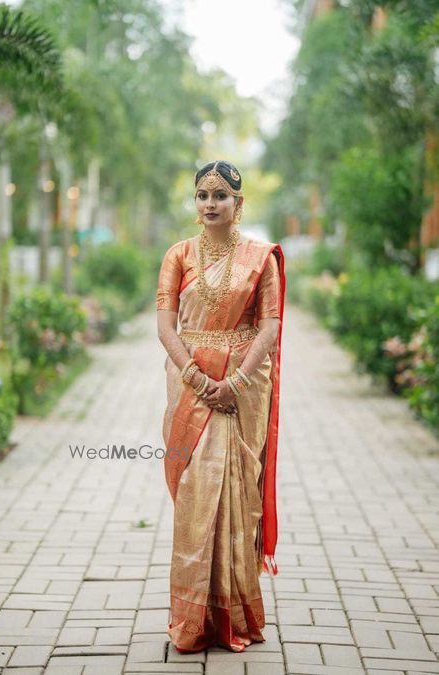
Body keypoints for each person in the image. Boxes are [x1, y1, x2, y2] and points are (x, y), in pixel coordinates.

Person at [156, 160, 285, 653]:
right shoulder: (178, 255)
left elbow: (270, 326)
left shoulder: (260, 258)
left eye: (220, 195)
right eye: (202, 195)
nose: (210, 204)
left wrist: (236, 381)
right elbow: (166, 326)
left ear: (238, 203)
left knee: (237, 497)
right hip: (190, 385)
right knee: (194, 491)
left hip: (243, 387)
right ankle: (194, 621)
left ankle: (234, 615)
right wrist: (196, 377)